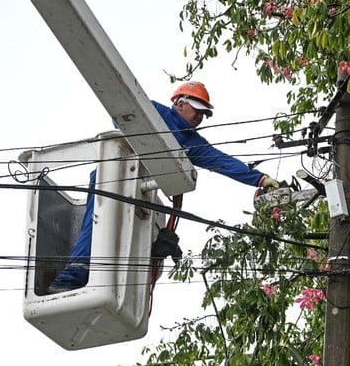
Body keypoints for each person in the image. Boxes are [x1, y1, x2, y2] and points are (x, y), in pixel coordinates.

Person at [47, 81, 280, 294]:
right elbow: (119, 114)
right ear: (180, 104)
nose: (200, 117)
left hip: (136, 189)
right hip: (112, 177)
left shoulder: (192, 142)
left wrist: (260, 179)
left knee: (125, 238)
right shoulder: (153, 112)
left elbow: (223, 162)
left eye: (204, 114)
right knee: (97, 224)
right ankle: (71, 277)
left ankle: (96, 284)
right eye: (197, 110)